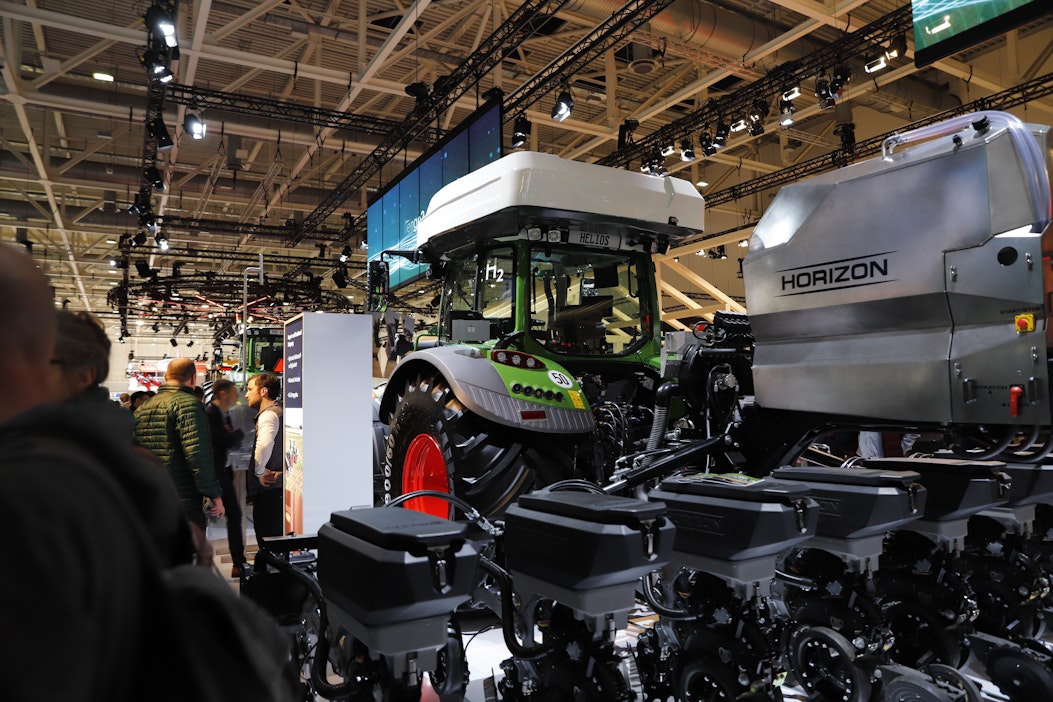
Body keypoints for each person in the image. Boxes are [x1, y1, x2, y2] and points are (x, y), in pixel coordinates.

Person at [135, 357, 225, 531]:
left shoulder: (144, 407)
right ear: (193, 378)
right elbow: (197, 454)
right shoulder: (189, 405)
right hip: (182, 499)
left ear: (166, 377)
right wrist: (214, 494)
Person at [205, 378, 250, 576]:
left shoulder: (225, 414)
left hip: (224, 472)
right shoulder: (210, 414)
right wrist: (238, 434)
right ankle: (236, 562)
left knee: (234, 515)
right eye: (234, 392)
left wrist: (234, 437)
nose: (238, 396)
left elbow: (231, 443)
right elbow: (223, 440)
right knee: (230, 515)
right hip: (215, 474)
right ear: (223, 393)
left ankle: (238, 563)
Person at [247, 372, 284, 538]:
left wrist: (259, 472)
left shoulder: (269, 414)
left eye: (250, 389)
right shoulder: (277, 411)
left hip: (270, 488)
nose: (246, 394)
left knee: (267, 536)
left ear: (263, 391)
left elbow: (264, 444)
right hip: (276, 488)